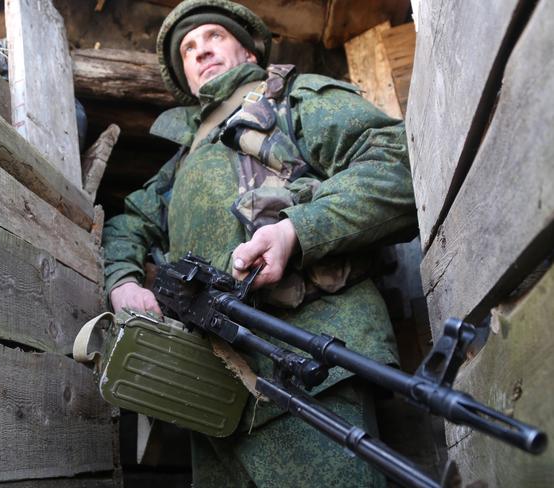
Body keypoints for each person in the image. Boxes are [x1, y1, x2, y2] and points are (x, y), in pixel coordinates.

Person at [102, 1, 418, 486]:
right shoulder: (181, 163)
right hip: (210, 396)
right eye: (188, 48)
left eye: (213, 37)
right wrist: (122, 279)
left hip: (311, 365)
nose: (201, 50)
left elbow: (398, 165)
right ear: (184, 75)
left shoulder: (295, 98)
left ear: (247, 49)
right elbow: (128, 224)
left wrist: (298, 229)